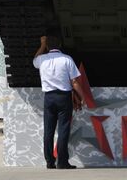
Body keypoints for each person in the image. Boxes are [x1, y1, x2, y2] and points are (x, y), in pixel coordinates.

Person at [33, 34, 84, 169]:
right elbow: (74, 82)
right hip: (64, 97)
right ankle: (62, 162)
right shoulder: (67, 59)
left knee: (48, 131)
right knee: (63, 130)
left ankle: (50, 162)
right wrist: (82, 96)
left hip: (49, 98)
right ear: (60, 45)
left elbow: (34, 59)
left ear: (48, 46)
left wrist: (42, 45)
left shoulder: (42, 59)